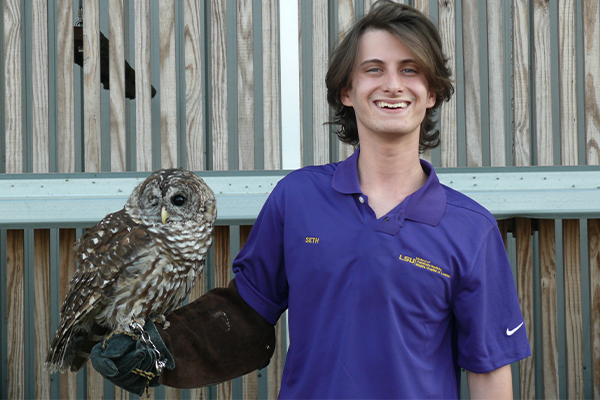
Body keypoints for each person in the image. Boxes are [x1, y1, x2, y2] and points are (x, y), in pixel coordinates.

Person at [91, 1, 531, 398]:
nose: (393, 84)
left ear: (432, 92)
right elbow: (247, 314)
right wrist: (167, 347)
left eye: (411, 69)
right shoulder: (297, 198)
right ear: (347, 90)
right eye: (373, 69)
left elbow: (489, 370)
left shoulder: (470, 228)